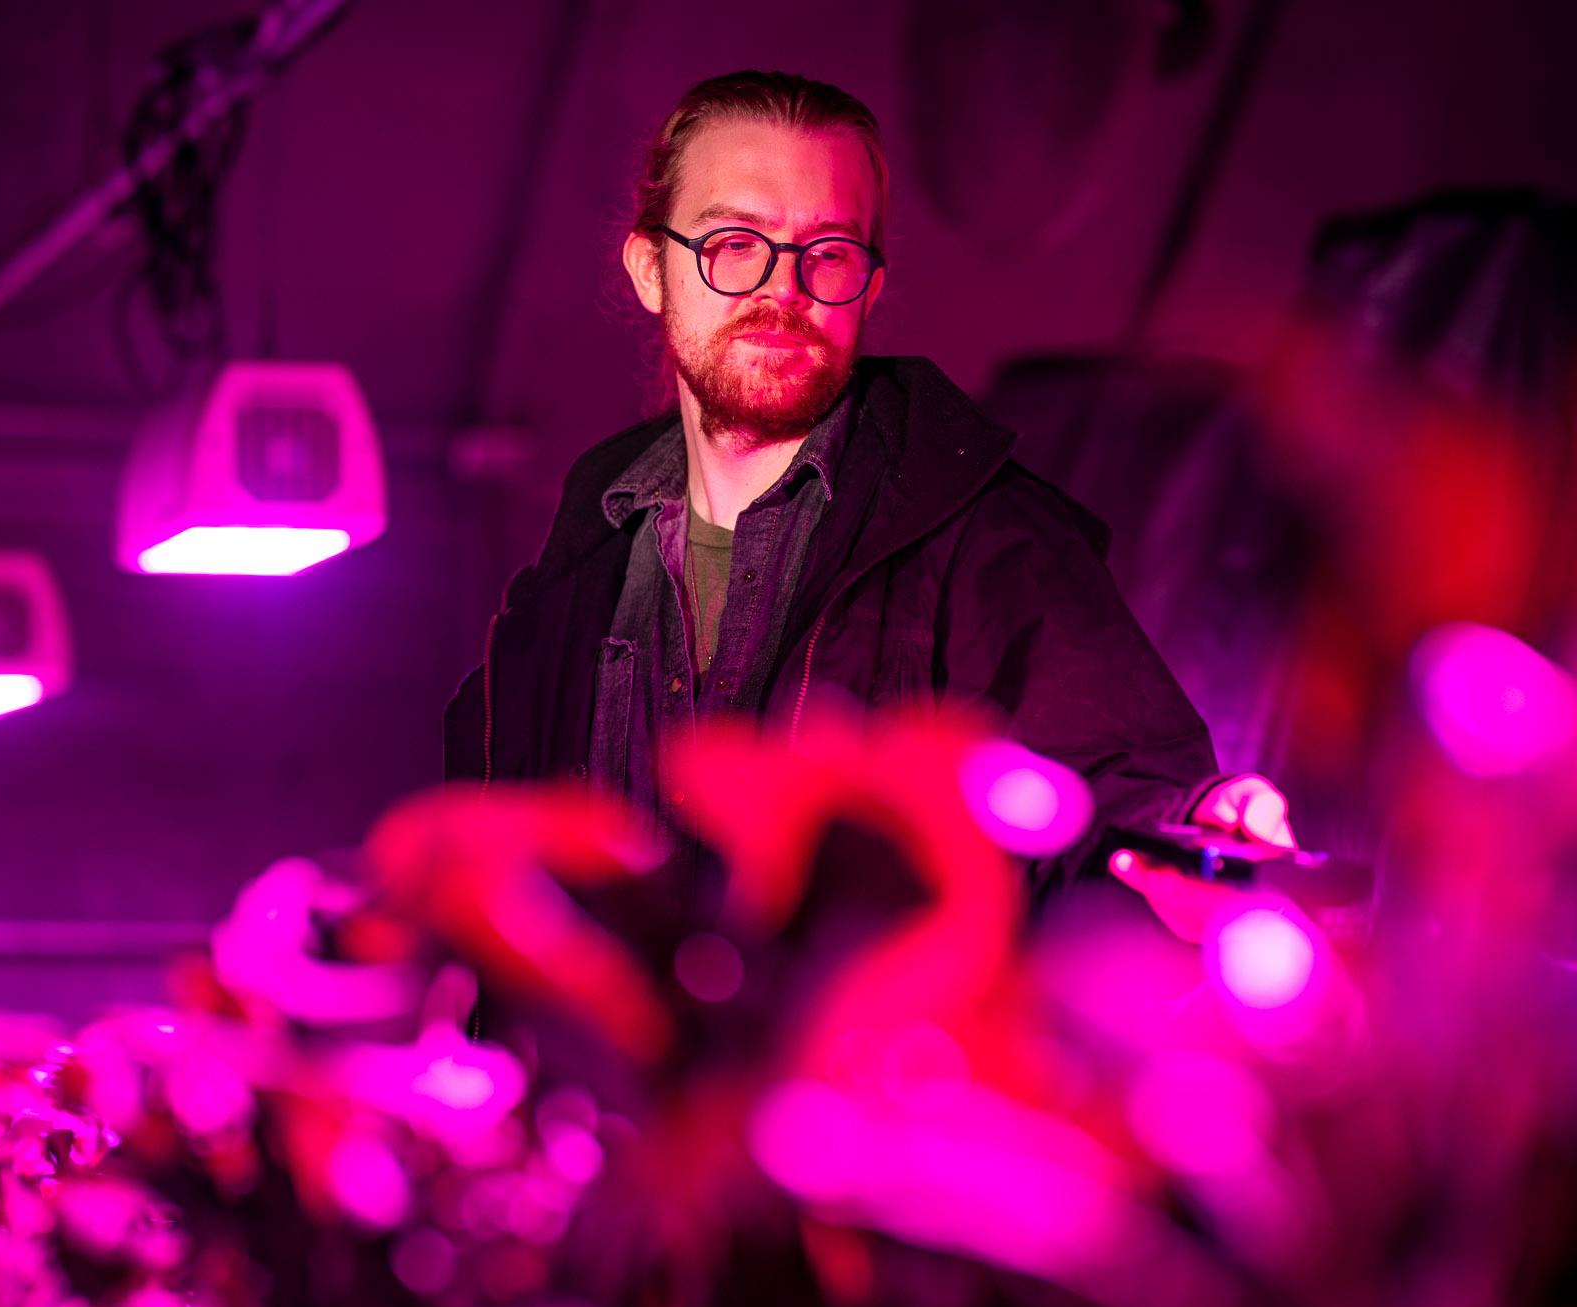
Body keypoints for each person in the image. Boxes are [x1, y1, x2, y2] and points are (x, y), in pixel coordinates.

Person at [442, 70, 1293, 896]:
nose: (783, 288)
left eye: (829, 251)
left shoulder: (989, 535)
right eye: (734, 244)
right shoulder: (579, 562)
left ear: (870, 287)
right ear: (651, 271)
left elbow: (1115, 787)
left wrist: (1195, 826)